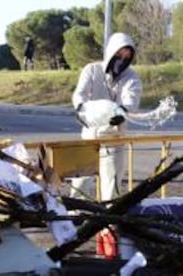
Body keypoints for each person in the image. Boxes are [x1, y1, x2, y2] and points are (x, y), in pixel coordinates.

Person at [71, 32, 142, 202]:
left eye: (127, 56)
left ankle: (108, 221)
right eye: (119, 54)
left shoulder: (131, 77)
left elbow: (131, 99)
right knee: (81, 181)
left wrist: (121, 112)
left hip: (114, 137)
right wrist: (81, 108)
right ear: (111, 52)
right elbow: (80, 94)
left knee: (112, 183)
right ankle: (76, 216)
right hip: (89, 135)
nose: (122, 58)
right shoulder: (92, 70)